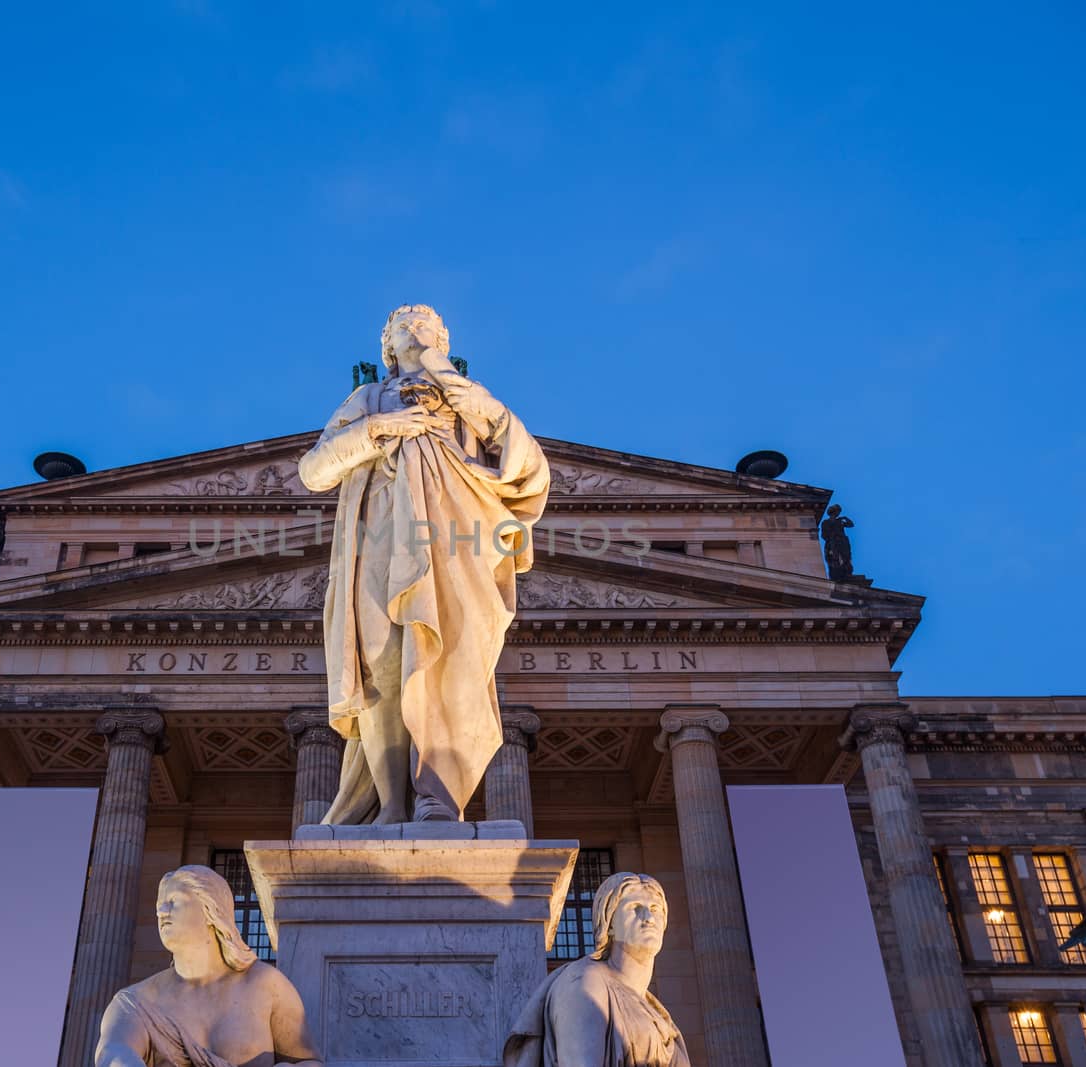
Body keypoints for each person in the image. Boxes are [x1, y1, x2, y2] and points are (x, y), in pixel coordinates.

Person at [298, 304, 549, 823]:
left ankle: (438, 797)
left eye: (426, 325)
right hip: (382, 542)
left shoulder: (469, 404)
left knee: (451, 665)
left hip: (458, 548)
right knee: (383, 668)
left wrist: (448, 379)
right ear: (386, 347)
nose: (413, 328)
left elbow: (527, 466)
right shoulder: (367, 399)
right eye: (401, 327)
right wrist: (381, 427)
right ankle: (391, 804)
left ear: (443, 339)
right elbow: (315, 470)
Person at [95, 866, 323, 1067]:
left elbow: (308, 1062)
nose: (161, 911)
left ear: (211, 909)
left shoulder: (266, 986)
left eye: (174, 900)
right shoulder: (135, 1002)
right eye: (159, 905)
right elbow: (113, 1052)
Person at [504, 872, 691, 1067]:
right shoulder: (584, 983)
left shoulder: (656, 1011)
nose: (649, 918)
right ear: (609, 923)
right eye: (635, 908)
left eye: (655, 909)